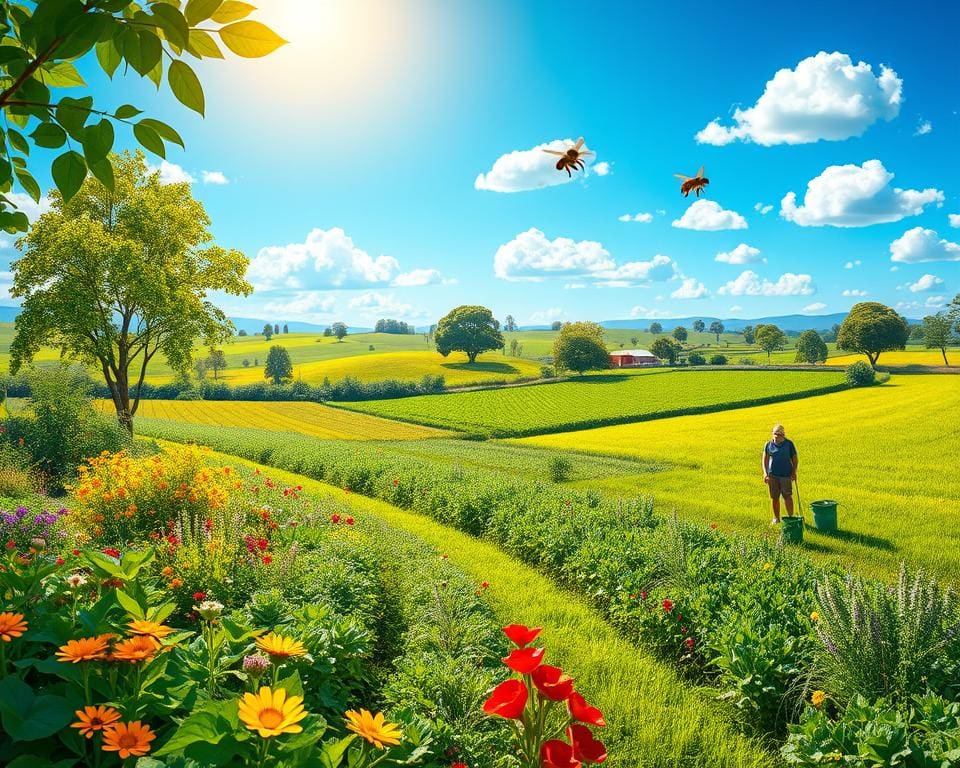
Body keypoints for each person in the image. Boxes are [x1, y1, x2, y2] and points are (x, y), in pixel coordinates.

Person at [762, 423, 798, 524]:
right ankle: (776, 518)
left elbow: (795, 459)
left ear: (783, 435)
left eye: (778, 434)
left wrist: (794, 472)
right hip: (772, 476)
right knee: (774, 498)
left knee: (787, 496)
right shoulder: (768, 445)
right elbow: (764, 460)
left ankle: (791, 518)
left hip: (786, 475)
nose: (776, 437)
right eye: (774, 434)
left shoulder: (789, 444)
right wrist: (765, 474)